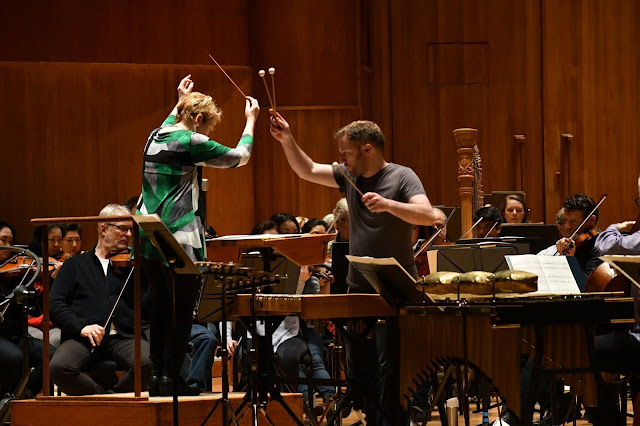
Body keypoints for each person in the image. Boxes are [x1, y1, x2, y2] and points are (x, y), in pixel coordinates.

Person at [270, 113, 434, 425]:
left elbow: (428, 215)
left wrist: (389, 205)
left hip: (395, 289)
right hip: (358, 286)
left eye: (346, 153)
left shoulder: (402, 176)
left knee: (393, 371)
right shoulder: (349, 177)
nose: (342, 159)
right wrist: (286, 139)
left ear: (368, 149)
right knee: (362, 372)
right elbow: (306, 170)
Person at [137, 74, 259, 396]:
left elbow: (174, 117)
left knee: (162, 307)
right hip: (177, 236)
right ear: (199, 119)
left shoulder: (155, 134)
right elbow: (239, 157)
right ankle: (173, 377)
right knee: (181, 310)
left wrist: (179, 98)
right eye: (209, 128)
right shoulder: (191, 141)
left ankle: (158, 378)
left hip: (147, 235)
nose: (208, 135)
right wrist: (250, 121)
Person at [49, 204, 151, 395]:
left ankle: (113, 398)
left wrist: (153, 273)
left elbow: (146, 307)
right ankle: (100, 397)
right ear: (103, 229)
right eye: (122, 228)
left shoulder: (134, 266)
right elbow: (55, 304)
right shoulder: (75, 265)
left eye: (131, 230)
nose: (129, 234)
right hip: (84, 338)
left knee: (149, 362)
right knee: (59, 368)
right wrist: (81, 327)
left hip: (124, 336)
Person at [0, 221, 56, 399]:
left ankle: (21, 397)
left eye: (11, 242)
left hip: (19, 334)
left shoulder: (20, 271)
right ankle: (4, 398)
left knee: (54, 357)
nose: (8, 247)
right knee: (14, 358)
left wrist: (50, 278)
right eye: (3, 241)